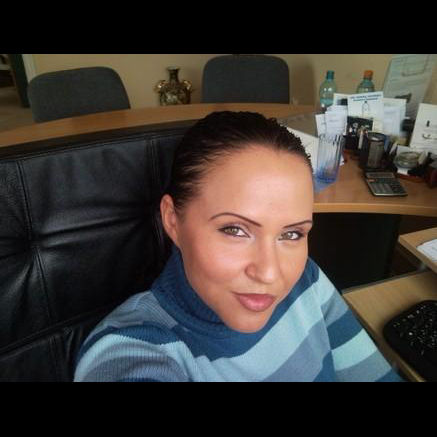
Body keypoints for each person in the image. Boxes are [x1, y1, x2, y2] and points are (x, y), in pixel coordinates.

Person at [74, 111, 404, 382]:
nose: (270, 273)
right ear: (172, 221)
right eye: (234, 230)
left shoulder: (307, 279)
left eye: (291, 234)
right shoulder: (132, 350)